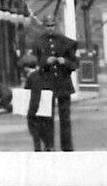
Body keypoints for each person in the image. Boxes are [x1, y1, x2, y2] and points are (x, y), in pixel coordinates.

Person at [31, 17, 78, 151]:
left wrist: (66, 62)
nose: (50, 28)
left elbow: (75, 64)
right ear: (44, 27)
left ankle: (67, 146)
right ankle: (49, 145)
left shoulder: (65, 42)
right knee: (47, 118)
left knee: (65, 118)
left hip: (63, 83)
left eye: (52, 25)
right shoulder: (38, 43)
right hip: (47, 84)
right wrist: (45, 61)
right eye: (47, 26)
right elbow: (34, 63)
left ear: (55, 26)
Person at [22, 54, 54, 151]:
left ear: (26, 68)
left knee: (34, 131)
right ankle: (48, 145)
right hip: (46, 108)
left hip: (34, 108)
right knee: (46, 128)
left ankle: (38, 147)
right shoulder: (44, 75)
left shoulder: (31, 77)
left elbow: (27, 93)